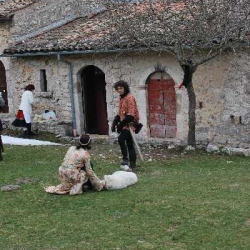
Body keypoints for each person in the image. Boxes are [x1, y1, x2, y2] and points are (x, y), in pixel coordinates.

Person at [111, 80, 142, 172]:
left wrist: (120, 125)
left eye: (121, 88)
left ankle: (125, 159)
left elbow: (130, 115)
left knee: (121, 139)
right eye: (118, 89)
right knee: (129, 144)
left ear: (125, 88)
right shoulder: (122, 98)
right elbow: (120, 113)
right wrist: (114, 123)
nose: (119, 90)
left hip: (130, 124)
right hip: (124, 123)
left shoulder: (130, 98)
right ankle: (132, 164)